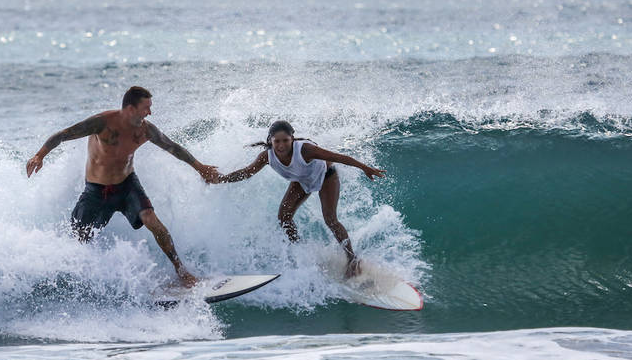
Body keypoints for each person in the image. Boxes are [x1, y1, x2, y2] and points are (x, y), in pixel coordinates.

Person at [25, 86, 219, 287]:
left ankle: (182, 272)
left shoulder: (146, 130)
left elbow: (173, 148)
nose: (150, 113)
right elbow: (65, 134)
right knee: (80, 238)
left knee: (152, 221)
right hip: (96, 190)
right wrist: (40, 155)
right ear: (130, 109)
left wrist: (200, 168)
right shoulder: (102, 122)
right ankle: (79, 283)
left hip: (127, 186)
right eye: (146, 108)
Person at [215, 120, 385, 278]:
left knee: (330, 219)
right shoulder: (266, 156)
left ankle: (352, 260)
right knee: (284, 217)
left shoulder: (305, 149)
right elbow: (247, 172)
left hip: (326, 176)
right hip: (302, 180)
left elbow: (339, 158)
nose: (281, 145)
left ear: (292, 139)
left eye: (285, 141)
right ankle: (301, 251)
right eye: (277, 141)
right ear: (270, 141)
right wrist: (221, 179)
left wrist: (365, 168)